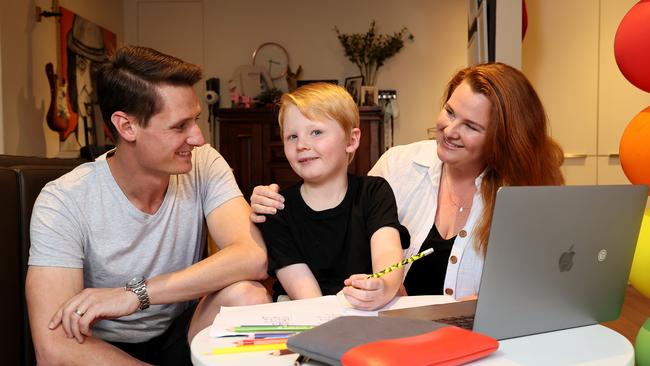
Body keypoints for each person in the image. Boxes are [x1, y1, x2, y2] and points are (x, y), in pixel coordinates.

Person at [26, 46, 270, 366]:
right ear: (127, 127)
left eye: (195, 120)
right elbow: (53, 346)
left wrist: (135, 294)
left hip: (178, 333)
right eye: (179, 126)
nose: (197, 137)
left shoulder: (203, 162)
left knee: (248, 295)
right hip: (99, 348)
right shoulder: (63, 200)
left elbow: (252, 257)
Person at [251, 62, 564, 300]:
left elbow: (536, 289)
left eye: (470, 126)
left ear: (500, 139)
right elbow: (346, 224)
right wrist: (267, 202)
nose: (450, 130)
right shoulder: (398, 165)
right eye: (450, 112)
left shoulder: (520, 194)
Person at [259, 82, 409, 310]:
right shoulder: (277, 207)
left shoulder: (374, 192)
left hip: (367, 309)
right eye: (291, 137)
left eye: (316, 132)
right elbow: (307, 296)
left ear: (351, 140)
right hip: (305, 315)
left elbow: (388, 250)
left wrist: (384, 286)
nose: (302, 145)